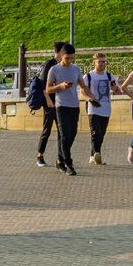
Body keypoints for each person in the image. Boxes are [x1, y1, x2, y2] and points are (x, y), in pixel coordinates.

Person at [45, 44, 94, 176]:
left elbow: (83, 86)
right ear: (61, 56)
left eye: (72, 58)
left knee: (72, 134)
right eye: (67, 58)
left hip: (74, 106)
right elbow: (48, 89)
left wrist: (92, 97)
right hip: (61, 106)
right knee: (65, 135)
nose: (69, 61)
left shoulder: (76, 69)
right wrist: (60, 86)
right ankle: (69, 164)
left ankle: (59, 159)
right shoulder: (54, 70)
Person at [84, 53, 119, 166]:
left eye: (104, 61)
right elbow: (82, 94)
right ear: (94, 62)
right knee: (95, 133)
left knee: (101, 134)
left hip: (106, 109)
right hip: (93, 109)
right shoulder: (88, 76)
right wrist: (90, 99)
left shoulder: (109, 76)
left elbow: (119, 92)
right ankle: (98, 154)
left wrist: (115, 89)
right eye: (100, 62)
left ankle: (92, 156)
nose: (103, 64)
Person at [35, 42, 66, 168]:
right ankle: (40, 155)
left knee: (61, 131)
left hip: (60, 102)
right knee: (47, 129)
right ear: (59, 53)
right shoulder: (50, 64)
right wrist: (48, 99)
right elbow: (43, 85)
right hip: (50, 102)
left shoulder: (62, 65)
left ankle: (60, 157)